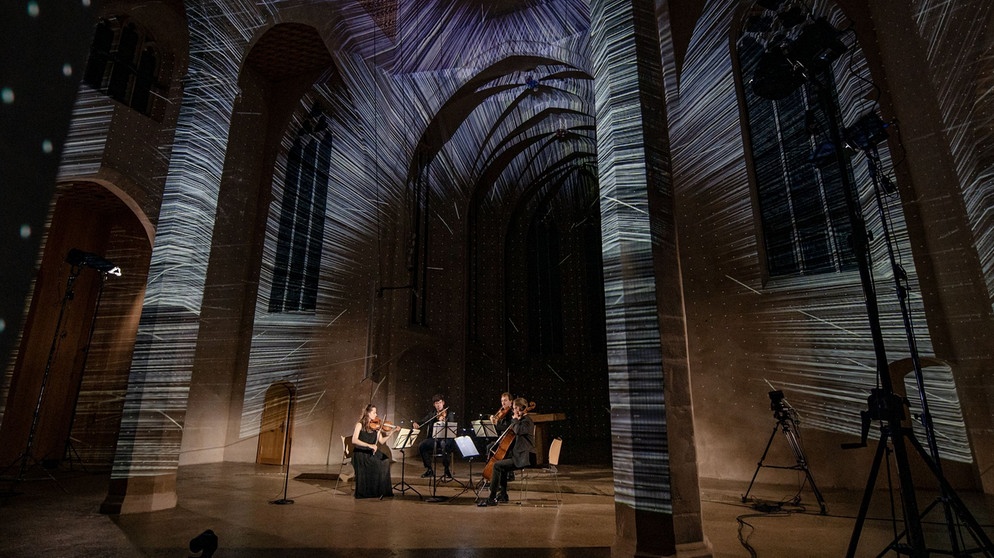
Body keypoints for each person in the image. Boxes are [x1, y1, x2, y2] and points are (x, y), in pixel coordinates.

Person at [479, 397, 535, 507]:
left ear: (519, 409)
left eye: (514, 408)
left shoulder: (527, 421)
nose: (513, 411)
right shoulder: (521, 421)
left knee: (497, 466)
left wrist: (514, 419)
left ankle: (492, 498)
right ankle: (503, 494)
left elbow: (518, 431)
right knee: (502, 464)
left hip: (524, 457)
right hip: (519, 455)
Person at [351, 404, 394, 499]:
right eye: (374, 412)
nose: (376, 414)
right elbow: (354, 440)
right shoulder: (360, 424)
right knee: (377, 463)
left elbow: (381, 441)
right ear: (368, 413)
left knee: (385, 460)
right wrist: (369, 445)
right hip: (360, 452)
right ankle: (370, 491)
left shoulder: (377, 426)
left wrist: (391, 433)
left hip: (370, 451)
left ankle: (379, 490)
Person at [413, 393, 456, 481]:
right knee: (422, 445)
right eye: (436, 403)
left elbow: (452, 424)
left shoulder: (449, 413)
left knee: (444, 444)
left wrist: (444, 421)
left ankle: (446, 469)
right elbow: (423, 421)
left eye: (439, 402)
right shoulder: (432, 414)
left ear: (443, 403)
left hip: (445, 439)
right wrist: (416, 423)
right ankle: (429, 469)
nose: (438, 405)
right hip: (434, 439)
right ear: (434, 405)